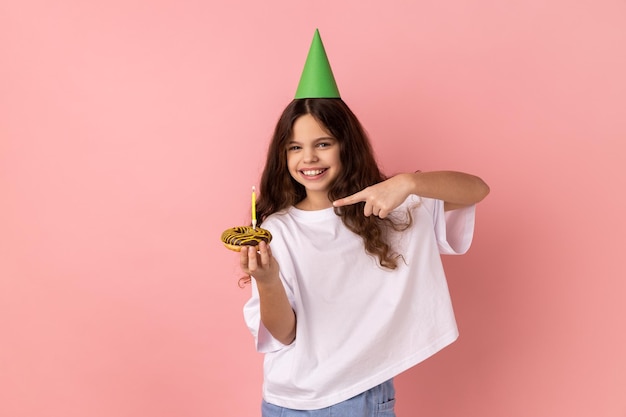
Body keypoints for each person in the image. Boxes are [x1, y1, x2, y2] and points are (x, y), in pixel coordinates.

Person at [237, 30, 490, 417]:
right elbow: (284, 333)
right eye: (295, 147)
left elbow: (477, 189)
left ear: (345, 145)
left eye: (323, 143)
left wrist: (408, 182)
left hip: (356, 397)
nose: (309, 158)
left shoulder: (390, 204)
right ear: (283, 155)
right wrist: (267, 280)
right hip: (284, 402)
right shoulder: (277, 227)